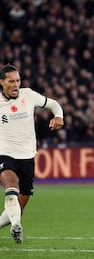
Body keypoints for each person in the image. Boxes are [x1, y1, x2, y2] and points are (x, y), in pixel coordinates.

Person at [0, 64, 64, 243]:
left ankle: (13, 223)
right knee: (11, 183)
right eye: (11, 81)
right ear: (1, 82)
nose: (15, 85)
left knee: (21, 203)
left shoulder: (28, 95)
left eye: (18, 80)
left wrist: (59, 116)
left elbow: (53, 104)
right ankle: (16, 226)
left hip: (27, 155)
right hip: (4, 153)